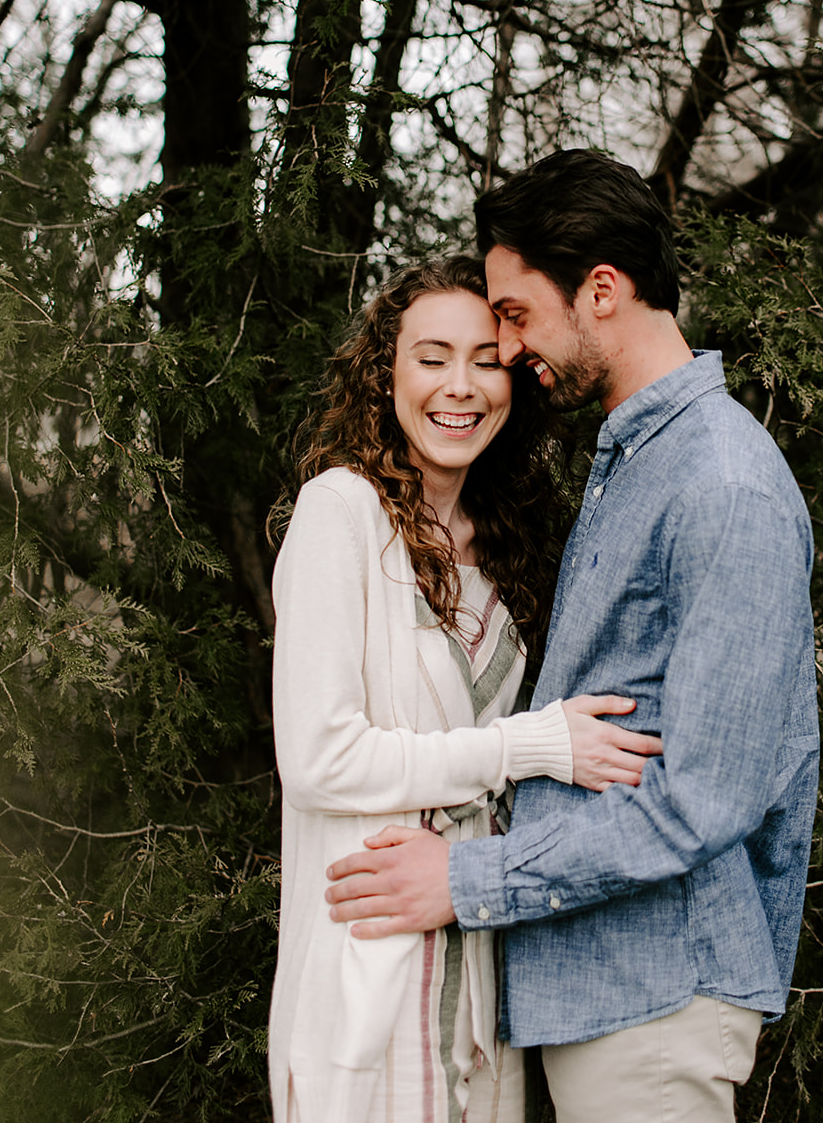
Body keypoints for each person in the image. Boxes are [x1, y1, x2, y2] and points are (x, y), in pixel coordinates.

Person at [324, 153, 820, 1123]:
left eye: (512, 314)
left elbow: (703, 799)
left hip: (658, 996)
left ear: (600, 291)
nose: (505, 348)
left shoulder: (721, 482)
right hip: (605, 994)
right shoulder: (635, 458)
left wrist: (464, 881)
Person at [268, 253, 661, 1123]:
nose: (461, 385)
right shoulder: (342, 514)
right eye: (430, 356)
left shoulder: (508, 548)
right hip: (365, 985)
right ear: (386, 374)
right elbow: (319, 758)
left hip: (481, 989)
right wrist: (531, 746)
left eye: (486, 358)